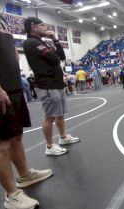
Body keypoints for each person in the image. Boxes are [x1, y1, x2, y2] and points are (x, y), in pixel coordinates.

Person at [0, 0, 53, 208]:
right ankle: (11, 194)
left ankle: (24, 175)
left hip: (12, 86)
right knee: (0, 143)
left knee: (16, 136)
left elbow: (10, 48)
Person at [23, 17, 80, 156]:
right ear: (33, 27)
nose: (45, 28)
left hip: (56, 83)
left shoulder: (41, 42)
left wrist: (55, 39)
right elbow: (55, 59)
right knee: (50, 116)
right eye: (42, 25)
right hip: (47, 85)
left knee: (59, 113)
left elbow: (61, 55)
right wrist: (53, 53)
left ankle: (63, 137)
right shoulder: (31, 42)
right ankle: (49, 146)